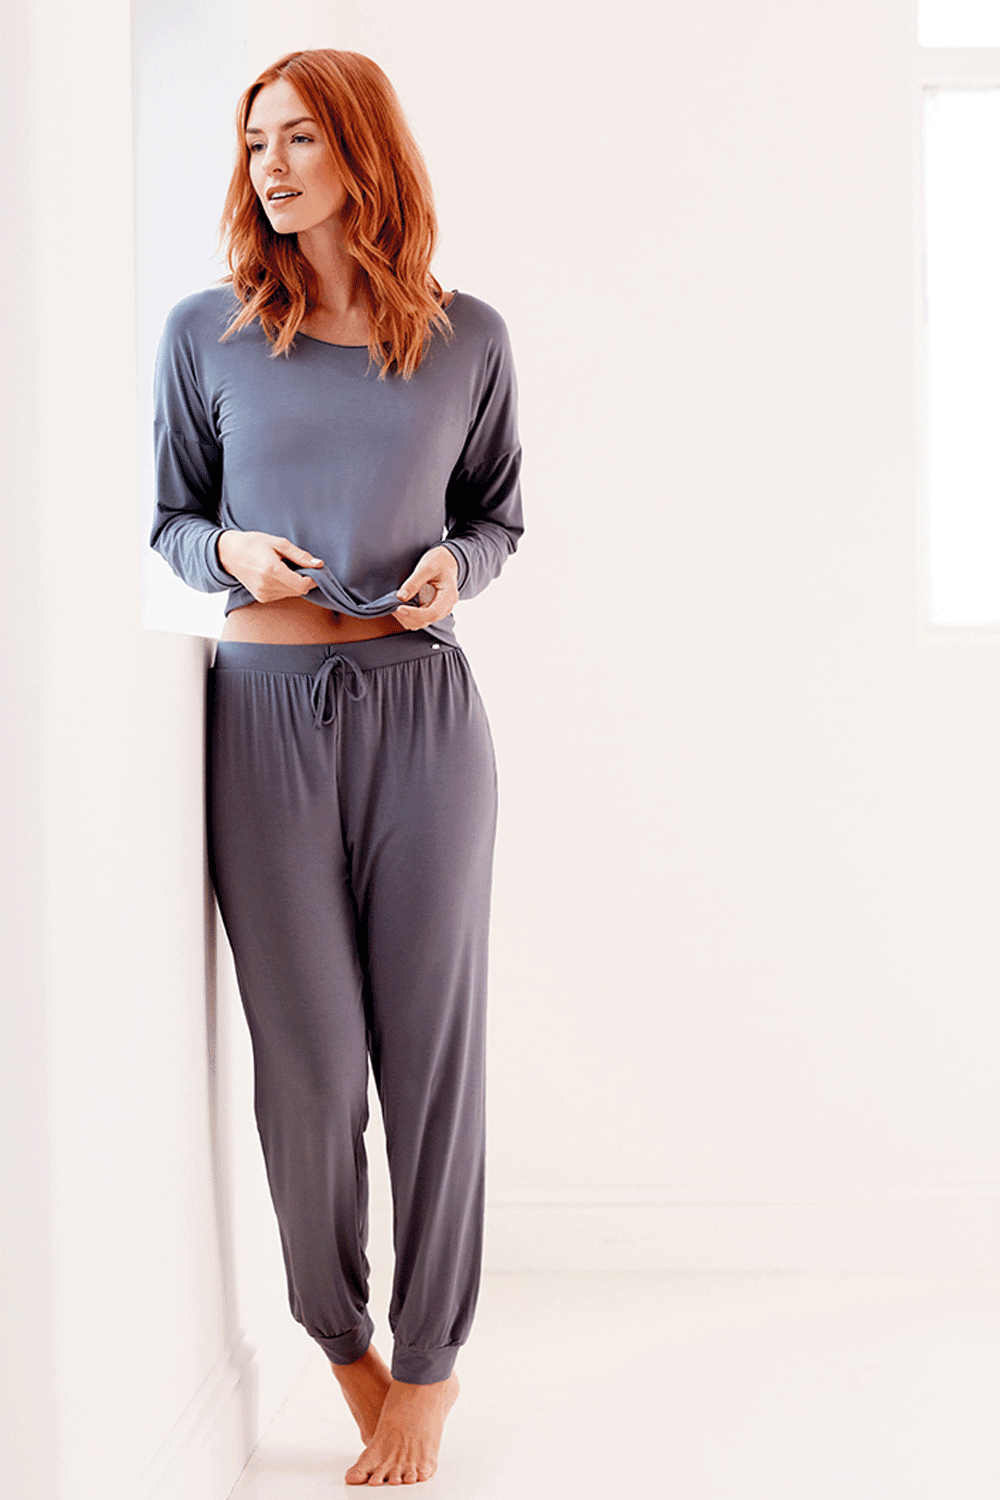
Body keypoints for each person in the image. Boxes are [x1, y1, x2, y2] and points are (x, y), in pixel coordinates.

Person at [149, 47, 523, 1487]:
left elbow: (497, 515)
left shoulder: (469, 335)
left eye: (302, 137)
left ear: (364, 149)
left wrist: (453, 567)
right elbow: (174, 517)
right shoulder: (209, 333)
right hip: (262, 712)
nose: (275, 164)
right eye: (257, 143)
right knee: (306, 1069)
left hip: (425, 714)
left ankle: (428, 1363)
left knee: (432, 1056)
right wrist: (232, 551)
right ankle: (339, 1335)